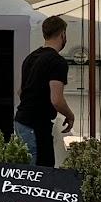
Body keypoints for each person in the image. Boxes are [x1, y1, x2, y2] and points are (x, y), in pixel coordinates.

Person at [14, 16, 74, 167]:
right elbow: (56, 100)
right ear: (62, 34)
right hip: (36, 124)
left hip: (21, 120)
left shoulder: (30, 57)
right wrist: (70, 115)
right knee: (40, 171)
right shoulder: (57, 61)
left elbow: (20, 91)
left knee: (28, 168)